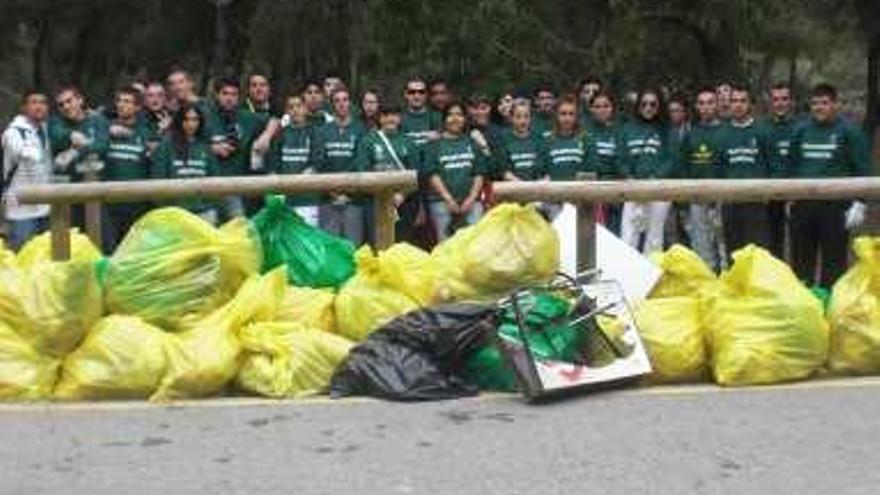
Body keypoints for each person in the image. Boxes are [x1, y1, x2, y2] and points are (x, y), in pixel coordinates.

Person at [790, 83, 872, 287]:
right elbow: (791, 165)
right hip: (804, 205)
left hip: (836, 207)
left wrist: (860, 203)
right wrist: (789, 198)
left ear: (835, 105)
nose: (819, 108)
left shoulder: (850, 132)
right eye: (815, 103)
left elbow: (863, 169)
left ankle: (831, 308)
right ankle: (805, 306)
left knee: (834, 263)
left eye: (824, 103)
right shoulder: (800, 130)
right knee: (801, 261)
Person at [714, 85, 772, 256]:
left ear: (750, 105)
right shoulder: (721, 135)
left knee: (758, 254)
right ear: (729, 104)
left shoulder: (763, 131)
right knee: (735, 253)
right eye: (734, 101)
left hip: (757, 203)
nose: (738, 105)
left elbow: (771, 166)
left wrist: (766, 195)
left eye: (742, 101)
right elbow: (718, 171)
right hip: (730, 203)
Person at [205, 77, 275, 220]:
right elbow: (190, 144)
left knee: (240, 231)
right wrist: (211, 149)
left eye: (234, 94)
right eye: (225, 94)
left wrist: (266, 136)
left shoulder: (246, 117)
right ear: (217, 95)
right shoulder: (205, 116)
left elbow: (274, 121)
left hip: (235, 189)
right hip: (208, 188)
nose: (229, 98)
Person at [619, 89, 674, 255]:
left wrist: (657, 177)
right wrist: (629, 176)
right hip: (633, 188)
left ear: (659, 107)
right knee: (628, 236)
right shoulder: (626, 129)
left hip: (659, 188)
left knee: (655, 238)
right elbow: (621, 158)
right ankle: (627, 276)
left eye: (653, 104)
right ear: (638, 106)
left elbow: (671, 158)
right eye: (644, 104)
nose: (648, 108)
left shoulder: (666, 130)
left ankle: (652, 276)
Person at [354, 103, 418, 243]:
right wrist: (383, 196)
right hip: (375, 202)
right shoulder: (368, 141)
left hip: (402, 202)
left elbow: (416, 175)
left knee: (401, 244)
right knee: (376, 242)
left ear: (400, 118)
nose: (390, 119)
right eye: (386, 115)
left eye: (394, 115)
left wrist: (401, 195)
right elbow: (362, 173)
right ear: (380, 118)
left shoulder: (409, 142)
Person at [312, 86, 368, 245]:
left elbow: (360, 163)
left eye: (345, 100)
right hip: (327, 198)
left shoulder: (361, 129)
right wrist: (333, 193)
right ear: (331, 105)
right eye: (337, 101)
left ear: (350, 103)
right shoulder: (321, 131)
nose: (342, 104)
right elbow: (319, 163)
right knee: (330, 249)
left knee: (354, 249)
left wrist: (347, 194)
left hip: (354, 199)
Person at [424, 102, 488, 241]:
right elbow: (432, 174)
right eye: (450, 115)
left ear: (465, 118)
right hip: (441, 202)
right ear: (444, 119)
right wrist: (448, 199)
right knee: (446, 246)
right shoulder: (434, 145)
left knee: (474, 244)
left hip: (472, 203)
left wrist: (471, 198)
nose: (455, 119)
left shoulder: (472, 143)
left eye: (459, 114)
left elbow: (480, 173)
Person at [679, 87, 725, 269]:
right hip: (697, 198)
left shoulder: (726, 131)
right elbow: (683, 166)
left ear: (717, 105)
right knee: (701, 248)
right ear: (697, 107)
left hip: (722, 198)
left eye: (710, 102)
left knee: (723, 246)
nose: (706, 107)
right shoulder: (690, 134)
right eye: (702, 103)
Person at [102, 86, 153, 250]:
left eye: (127, 101)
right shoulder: (104, 129)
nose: (121, 105)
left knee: (134, 252)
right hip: (109, 205)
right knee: (109, 252)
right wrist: (106, 131)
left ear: (137, 107)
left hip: (137, 205)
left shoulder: (146, 134)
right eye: (119, 101)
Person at [150, 104, 219, 223]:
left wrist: (208, 205)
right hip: (174, 214)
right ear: (179, 121)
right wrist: (167, 209)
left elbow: (215, 178)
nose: (191, 124)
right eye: (186, 119)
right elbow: (158, 177)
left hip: (203, 213)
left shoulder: (205, 147)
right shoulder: (166, 146)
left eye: (195, 119)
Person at [2, 90, 53, 249]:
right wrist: (33, 154)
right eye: (34, 102)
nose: (39, 106)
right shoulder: (13, 132)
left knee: (45, 258)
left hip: (45, 208)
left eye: (43, 102)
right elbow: (17, 148)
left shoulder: (44, 129)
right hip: (21, 210)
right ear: (24, 107)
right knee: (22, 258)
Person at [761, 82, 800, 261]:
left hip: (797, 192)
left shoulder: (801, 127)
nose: (780, 103)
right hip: (771, 192)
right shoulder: (762, 128)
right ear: (770, 102)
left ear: (792, 102)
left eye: (784, 99)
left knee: (799, 241)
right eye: (776, 99)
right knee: (773, 242)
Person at [267, 93, 319, 226]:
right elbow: (273, 167)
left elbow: (315, 164)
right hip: (285, 201)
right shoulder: (280, 134)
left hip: (308, 201)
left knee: (309, 242)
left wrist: (297, 182)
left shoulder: (314, 133)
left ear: (305, 109)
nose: (295, 110)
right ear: (287, 111)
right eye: (291, 107)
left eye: (298, 106)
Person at [48, 86, 110, 184]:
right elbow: (56, 136)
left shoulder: (97, 120)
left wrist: (75, 152)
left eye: (69, 101)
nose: (66, 107)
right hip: (68, 185)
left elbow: (103, 146)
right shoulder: (56, 122)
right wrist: (70, 134)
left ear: (80, 100)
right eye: (61, 105)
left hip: (95, 182)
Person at [584, 90, 623, 233]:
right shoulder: (584, 131)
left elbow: (622, 159)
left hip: (616, 188)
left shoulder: (619, 131)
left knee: (617, 233)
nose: (602, 110)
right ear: (591, 109)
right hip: (593, 188)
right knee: (598, 233)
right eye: (597, 106)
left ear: (612, 108)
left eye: (606, 106)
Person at [499, 99, 548, 182]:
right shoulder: (504, 140)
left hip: (537, 189)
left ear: (531, 118)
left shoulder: (539, 139)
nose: (523, 121)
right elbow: (504, 171)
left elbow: (546, 170)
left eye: (526, 116)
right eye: (518, 117)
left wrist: (539, 184)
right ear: (511, 118)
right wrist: (522, 186)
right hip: (513, 189)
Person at [543, 94, 589, 182]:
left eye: (571, 114)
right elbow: (543, 169)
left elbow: (591, 171)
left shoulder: (585, 139)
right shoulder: (546, 139)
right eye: (563, 114)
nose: (567, 118)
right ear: (556, 115)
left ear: (576, 117)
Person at [400, 77, 442, 148]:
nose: (417, 96)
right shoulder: (398, 118)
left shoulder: (438, 118)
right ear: (405, 95)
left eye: (421, 92)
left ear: (427, 95)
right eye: (412, 92)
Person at [140, 81, 172, 154]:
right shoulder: (137, 118)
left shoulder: (175, 119)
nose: (155, 99)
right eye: (150, 95)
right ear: (145, 99)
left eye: (160, 95)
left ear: (165, 98)